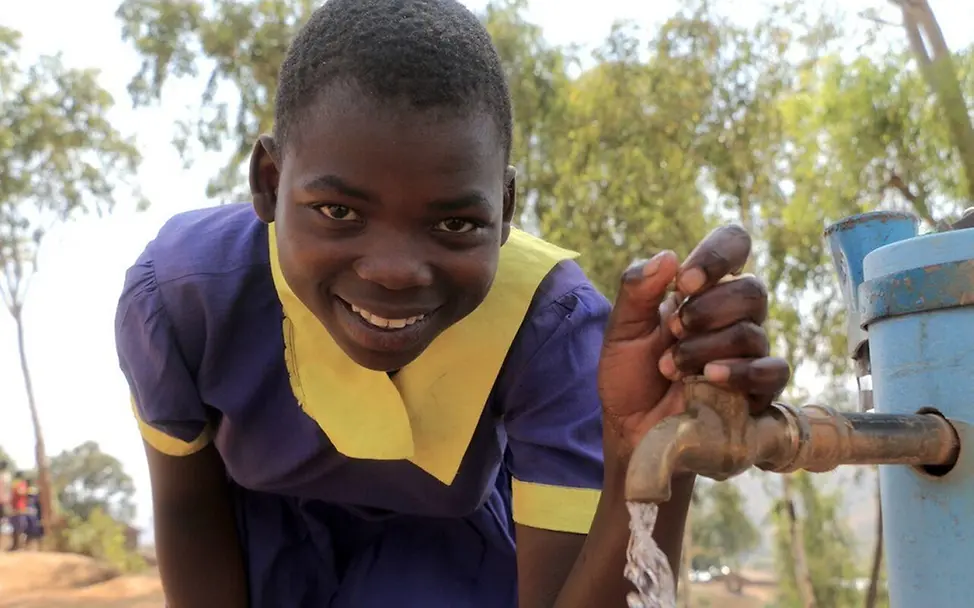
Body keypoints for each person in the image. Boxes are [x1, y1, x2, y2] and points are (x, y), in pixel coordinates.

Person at [113, 0, 789, 606]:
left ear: (505, 208)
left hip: (460, 565)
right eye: (339, 210)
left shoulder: (548, 328)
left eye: (456, 223)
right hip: (256, 552)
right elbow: (188, 510)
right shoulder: (184, 298)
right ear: (269, 181)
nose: (394, 271)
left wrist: (651, 453)